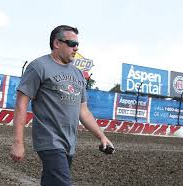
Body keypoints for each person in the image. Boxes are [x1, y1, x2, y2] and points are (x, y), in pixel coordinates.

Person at [10, 25, 114, 186]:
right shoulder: (38, 67)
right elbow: (21, 105)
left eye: (77, 44)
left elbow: (83, 111)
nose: (76, 48)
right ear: (57, 43)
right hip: (49, 141)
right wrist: (18, 142)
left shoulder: (78, 74)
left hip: (69, 143)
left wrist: (102, 136)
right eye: (72, 44)